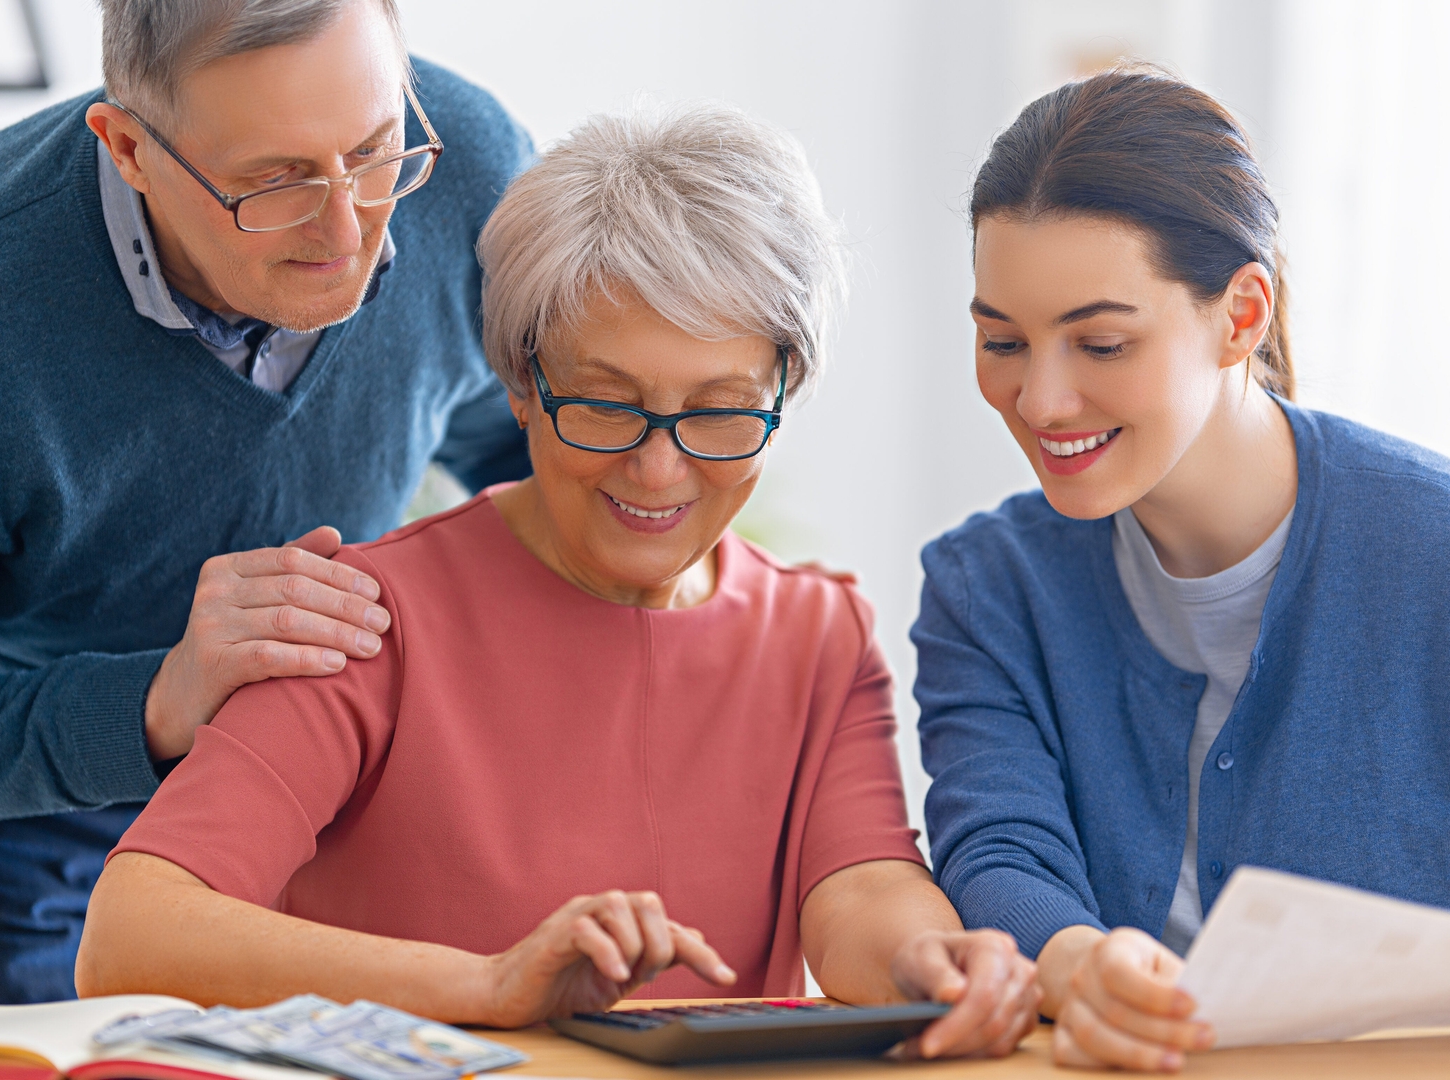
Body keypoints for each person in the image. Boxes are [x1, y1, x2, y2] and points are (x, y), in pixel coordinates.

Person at [76, 104, 1039, 1055]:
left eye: (721, 411)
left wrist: (932, 960)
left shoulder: (816, 630)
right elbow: (134, 931)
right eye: (607, 405)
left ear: (786, 390)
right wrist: (484, 986)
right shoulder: (369, 619)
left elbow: (859, 888)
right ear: (522, 383)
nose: (659, 472)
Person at [0, 0, 532, 1007]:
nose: (349, 231)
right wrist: (156, 701)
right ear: (128, 147)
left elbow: (521, 445)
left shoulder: (472, 167)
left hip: (316, 816)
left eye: (375, 152)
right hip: (0, 864)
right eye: (274, 183)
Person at [911, 65, 1450, 1072]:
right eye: (1002, 340)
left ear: (1242, 313)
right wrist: (1080, 966)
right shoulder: (987, 587)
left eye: (1100, 341)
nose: (1040, 401)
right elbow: (998, 851)